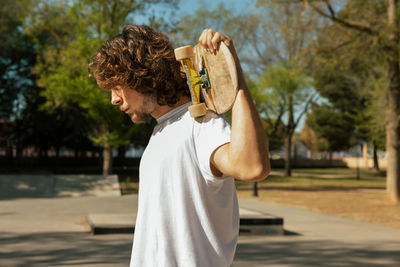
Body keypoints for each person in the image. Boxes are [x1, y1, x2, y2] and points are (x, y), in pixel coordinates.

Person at [89, 25, 270, 267]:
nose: (114, 99)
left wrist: (233, 74)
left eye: (117, 85)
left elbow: (253, 167)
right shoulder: (161, 132)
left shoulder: (201, 124)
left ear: (143, 75)